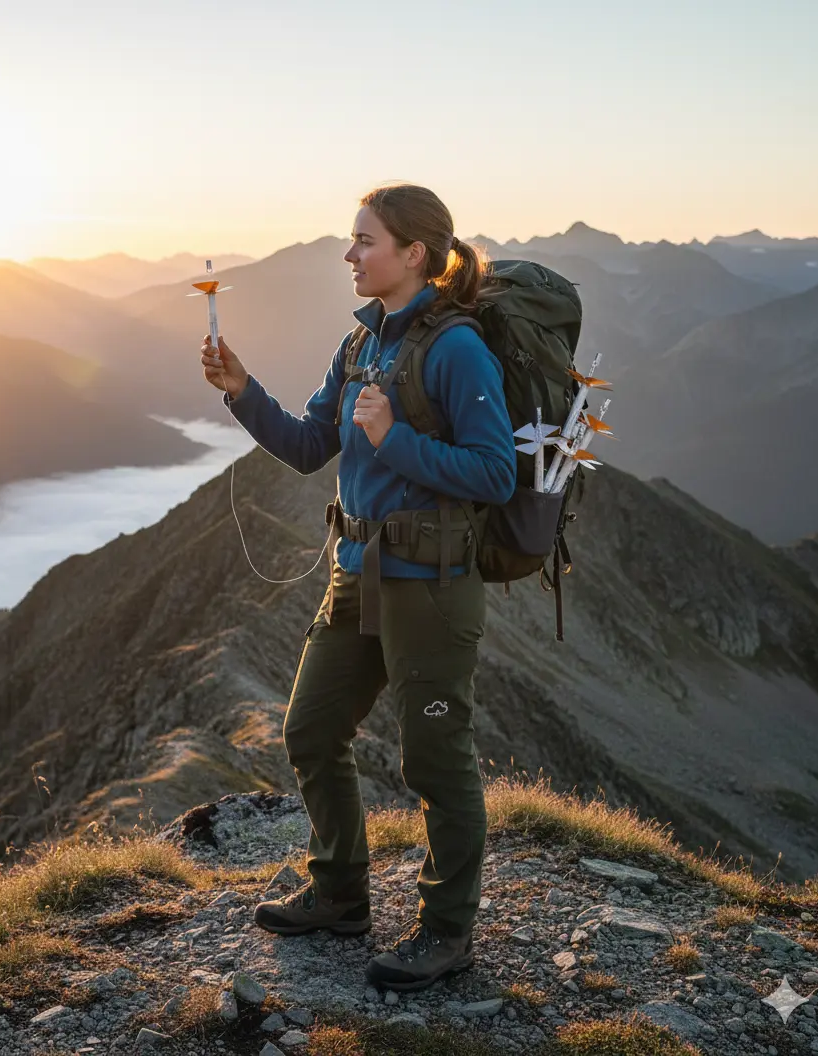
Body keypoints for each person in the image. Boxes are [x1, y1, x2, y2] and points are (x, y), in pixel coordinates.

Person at [200, 183, 516, 991]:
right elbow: (310, 445)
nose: (349, 253)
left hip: (432, 587)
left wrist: (394, 437)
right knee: (309, 730)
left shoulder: (455, 350)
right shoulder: (359, 346)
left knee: (435, 761)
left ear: (414, 254)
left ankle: (447, 932)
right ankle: (341, 894)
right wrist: (241, 390)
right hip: (358, 575)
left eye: (364, 240)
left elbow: (493, 473)